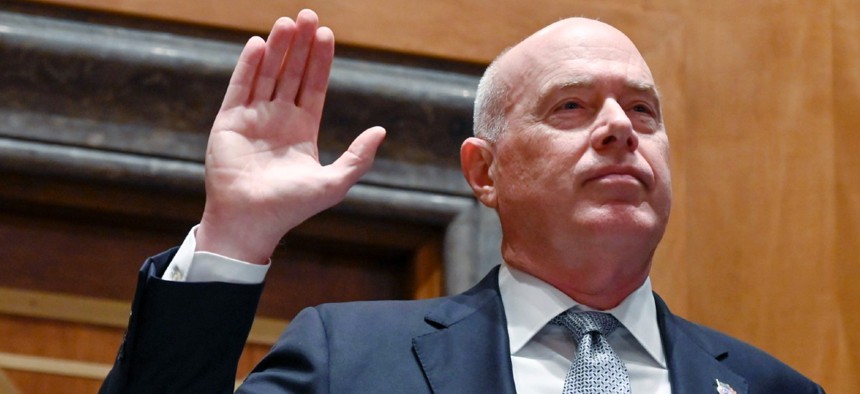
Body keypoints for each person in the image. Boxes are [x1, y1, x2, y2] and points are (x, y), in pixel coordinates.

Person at [100, 9, 824, 394]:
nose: (616, 128)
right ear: (485, 172)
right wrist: (234, 238)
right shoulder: (349, 363)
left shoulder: (771, 389)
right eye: (570, 106)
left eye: (642, 112)